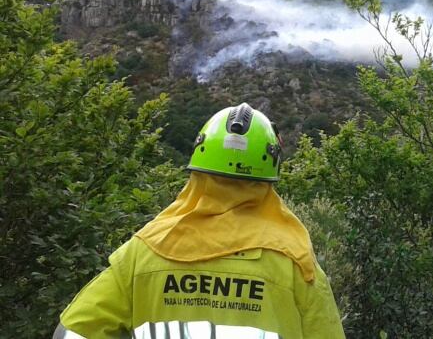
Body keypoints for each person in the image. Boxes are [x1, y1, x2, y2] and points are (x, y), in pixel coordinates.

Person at [53, 103, 345, 338]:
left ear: (198, 164)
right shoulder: (296, 263)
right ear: (268, 174)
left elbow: (74, 332)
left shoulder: (144, 252)